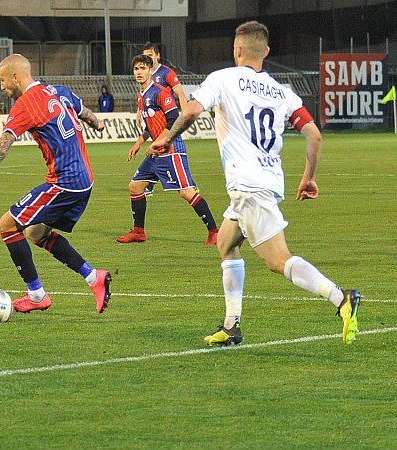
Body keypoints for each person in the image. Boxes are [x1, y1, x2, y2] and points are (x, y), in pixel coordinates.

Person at [149, 21, 361, 346]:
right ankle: (231, 326)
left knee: (277, 259)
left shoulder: (223, 78)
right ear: (266, 52)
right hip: (266, 180)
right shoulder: (282, 91)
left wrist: (166, 136)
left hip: (247, 185)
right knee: (226, 243)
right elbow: (314, 135)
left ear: (237, 50)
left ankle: (340, 297)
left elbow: (190, 111)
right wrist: (308, 177)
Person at [0, 54, 112, 314]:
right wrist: (97, 123)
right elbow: (84, 111)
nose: (2, 87)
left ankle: (36, 295)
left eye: (3, 81)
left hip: (65, 182)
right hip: (84, 180)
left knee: (6, 226)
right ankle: (93, 278)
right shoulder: (57, 91)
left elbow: (2, 146)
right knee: (35, 232)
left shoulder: (26, 104)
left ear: (16, 77)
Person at [116, 54, 219, 246]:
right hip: (156, 150)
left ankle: (214, 232)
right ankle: (139, 232)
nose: (139, 72)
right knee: (135, 186)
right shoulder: (141, 95)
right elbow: (151, 125)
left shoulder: (160, 92)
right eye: (136, 69)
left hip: (171, 149)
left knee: (187, 192)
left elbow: (173, 120)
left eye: (143, 68)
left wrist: (161, 141)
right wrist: (139, 142)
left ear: (150, 71)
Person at [139, 42, 188, 198]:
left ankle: (186, 185)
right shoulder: (145, 73)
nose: (147, 58)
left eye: (150, 55)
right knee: (157, 151)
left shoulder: (166, 73)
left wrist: (185, 115)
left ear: (158, 55)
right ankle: (150, 183)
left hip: (168, 118)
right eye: (145, 55)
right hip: (154, 119)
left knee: (166, 150)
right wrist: (139, 112)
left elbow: (180, 93)